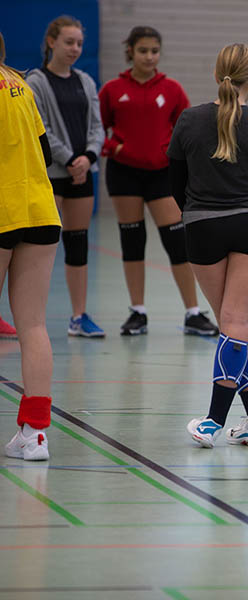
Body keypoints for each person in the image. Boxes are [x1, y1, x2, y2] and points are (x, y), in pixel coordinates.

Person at [168, 43, 248, 448]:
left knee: (231, 325)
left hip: (201, 228)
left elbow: (175, 186)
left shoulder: (188, 120)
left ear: (217, 75)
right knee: (236, 327)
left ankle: (214, 422)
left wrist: (203, 215)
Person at [99, 26, 217, 337]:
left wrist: (178, 159)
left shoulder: (172, 90)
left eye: (154, 51)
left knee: (177, 242)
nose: (149, 57)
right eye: (143, 51)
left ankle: (193, 312)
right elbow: (98, 130)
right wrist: (116, 148)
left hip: (162, 175)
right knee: (132, 241)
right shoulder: (112, 90)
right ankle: (138, 311)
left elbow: (187, 130)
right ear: (131, 52)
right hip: (124, 174)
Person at [0, 32, 62, 460]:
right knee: (34, 326)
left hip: (4, 211)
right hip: (41, 211)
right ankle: (35, 433)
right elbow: (43, 149)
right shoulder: (19, 84)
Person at [26, 15, 105, 337]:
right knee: (35, 250)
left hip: (82, 174)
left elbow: (97, 126)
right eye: (69, 42)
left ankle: (79, 316)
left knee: (78, 244)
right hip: (51, 175)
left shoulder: (86, 81)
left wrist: (87, 156)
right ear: (51, 42)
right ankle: (30, 319)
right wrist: (70, 158)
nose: (75, 49)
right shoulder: (35, 82)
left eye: (79, 44)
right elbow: (39, 126)